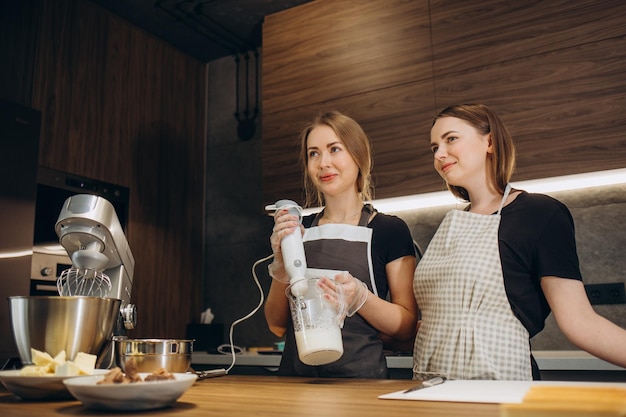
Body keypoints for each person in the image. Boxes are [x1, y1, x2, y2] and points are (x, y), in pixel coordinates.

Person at [412, 103, 626, 380]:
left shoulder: (540, 214)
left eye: (450, 139)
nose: (440, 154)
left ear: (489, 142)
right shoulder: (449, 225)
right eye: (434, 148)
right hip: (429, 388)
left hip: (501, 389)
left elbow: (580, 323)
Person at [264, 110, 419, 378]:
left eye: (334, 149)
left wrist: (361, 298)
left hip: (362, 385)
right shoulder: (297, 232)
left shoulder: (388, 230)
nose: (323, 162)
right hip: (293, 384)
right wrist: (280, 266)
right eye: (313, 153)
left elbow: (406, 327)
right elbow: (276, 325)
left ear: (359, 156)